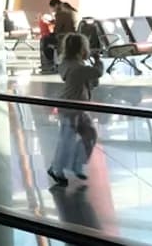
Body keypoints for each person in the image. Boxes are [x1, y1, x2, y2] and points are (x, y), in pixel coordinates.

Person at [48, 33, 103, 187]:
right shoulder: (77, 67)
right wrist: (98, 61)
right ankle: (56, 169)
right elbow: (97, 72)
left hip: (78, 106)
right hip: (71, 108)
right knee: (67, 140)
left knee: (89, 134)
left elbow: (90, 79)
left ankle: (76, 164)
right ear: (81, 49)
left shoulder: (67, 63)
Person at [41, 0, 78, 73]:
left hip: (64, 37)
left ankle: (48, 63)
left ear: (56, 5)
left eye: (52, 7)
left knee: (44, 40)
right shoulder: (71, 11)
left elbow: (57, 29)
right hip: (73, 36)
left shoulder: (61, 13)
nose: (51, 9)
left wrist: (52, 31)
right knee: (49, 38)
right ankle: (52, 62)